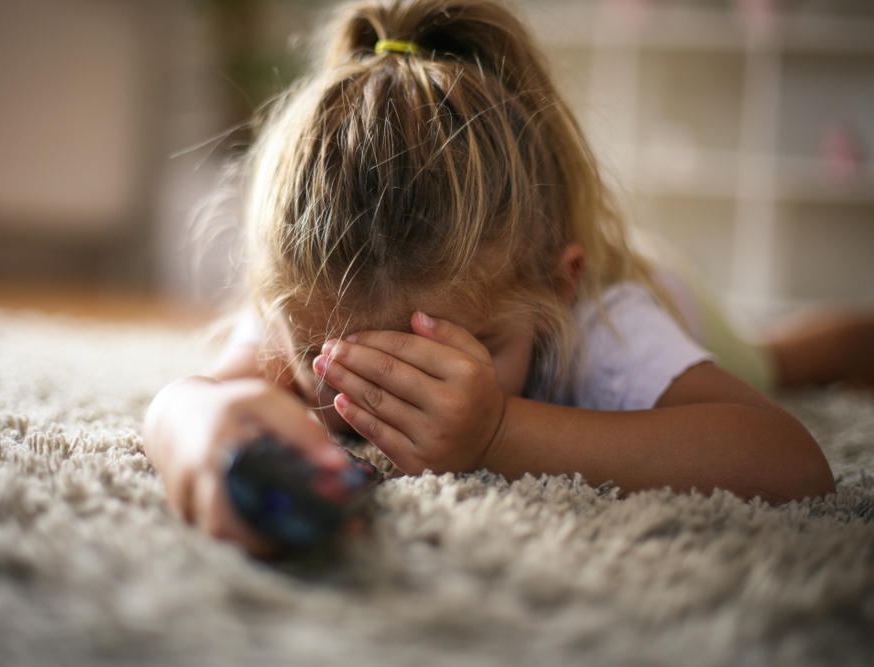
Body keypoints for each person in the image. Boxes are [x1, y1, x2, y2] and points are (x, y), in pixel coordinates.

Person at [144, 0, 862, 557]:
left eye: (460, 351)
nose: (393, 393)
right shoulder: (318, 289)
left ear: (558, 287)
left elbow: (791, 462)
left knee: (776, 360)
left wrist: (496, 431)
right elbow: (188, 400)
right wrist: (208, 436)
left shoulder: (606, 321)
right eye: (327, 359)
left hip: (668, 285)